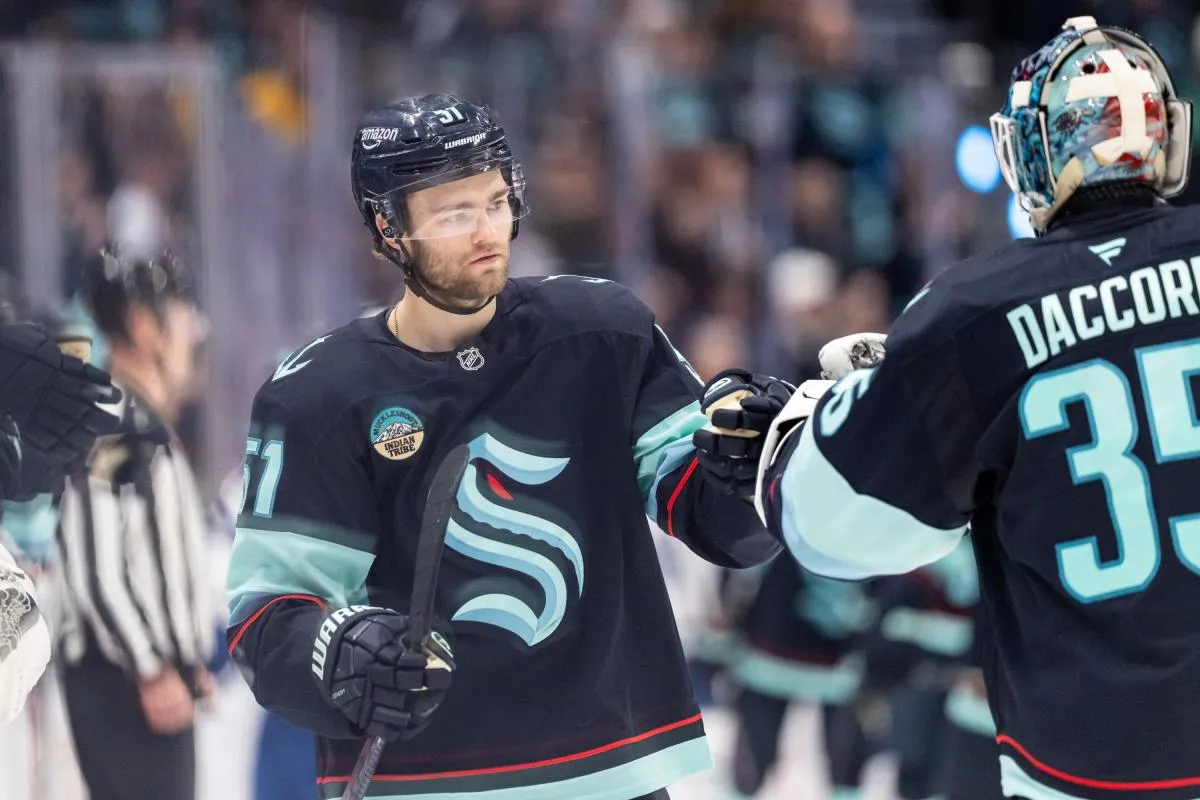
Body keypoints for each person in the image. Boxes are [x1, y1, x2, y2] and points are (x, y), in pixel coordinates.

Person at [225, 92, 781, 800]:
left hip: (611, 775)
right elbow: (267, 616)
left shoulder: (601, 336)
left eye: (495, 201)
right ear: (388, 227)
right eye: (454, 214)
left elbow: (716, 521)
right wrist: (341, 655)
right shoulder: (321, 396)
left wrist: (751, 464)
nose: (488, 230)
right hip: (427, 784)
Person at [728, 15, 1200, 800]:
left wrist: (801, 426)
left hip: (1095, 762)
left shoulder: (970, 314)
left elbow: (828, 525)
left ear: (1033, 151)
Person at [56, 248, 214, 800]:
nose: (194, 329)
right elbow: (95, 568)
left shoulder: (136, 422)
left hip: (148, 677)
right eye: (181, 312)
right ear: (146, 326)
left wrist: (182, 659)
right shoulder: (115, 423)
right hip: (124, 682)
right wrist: (151, 666)